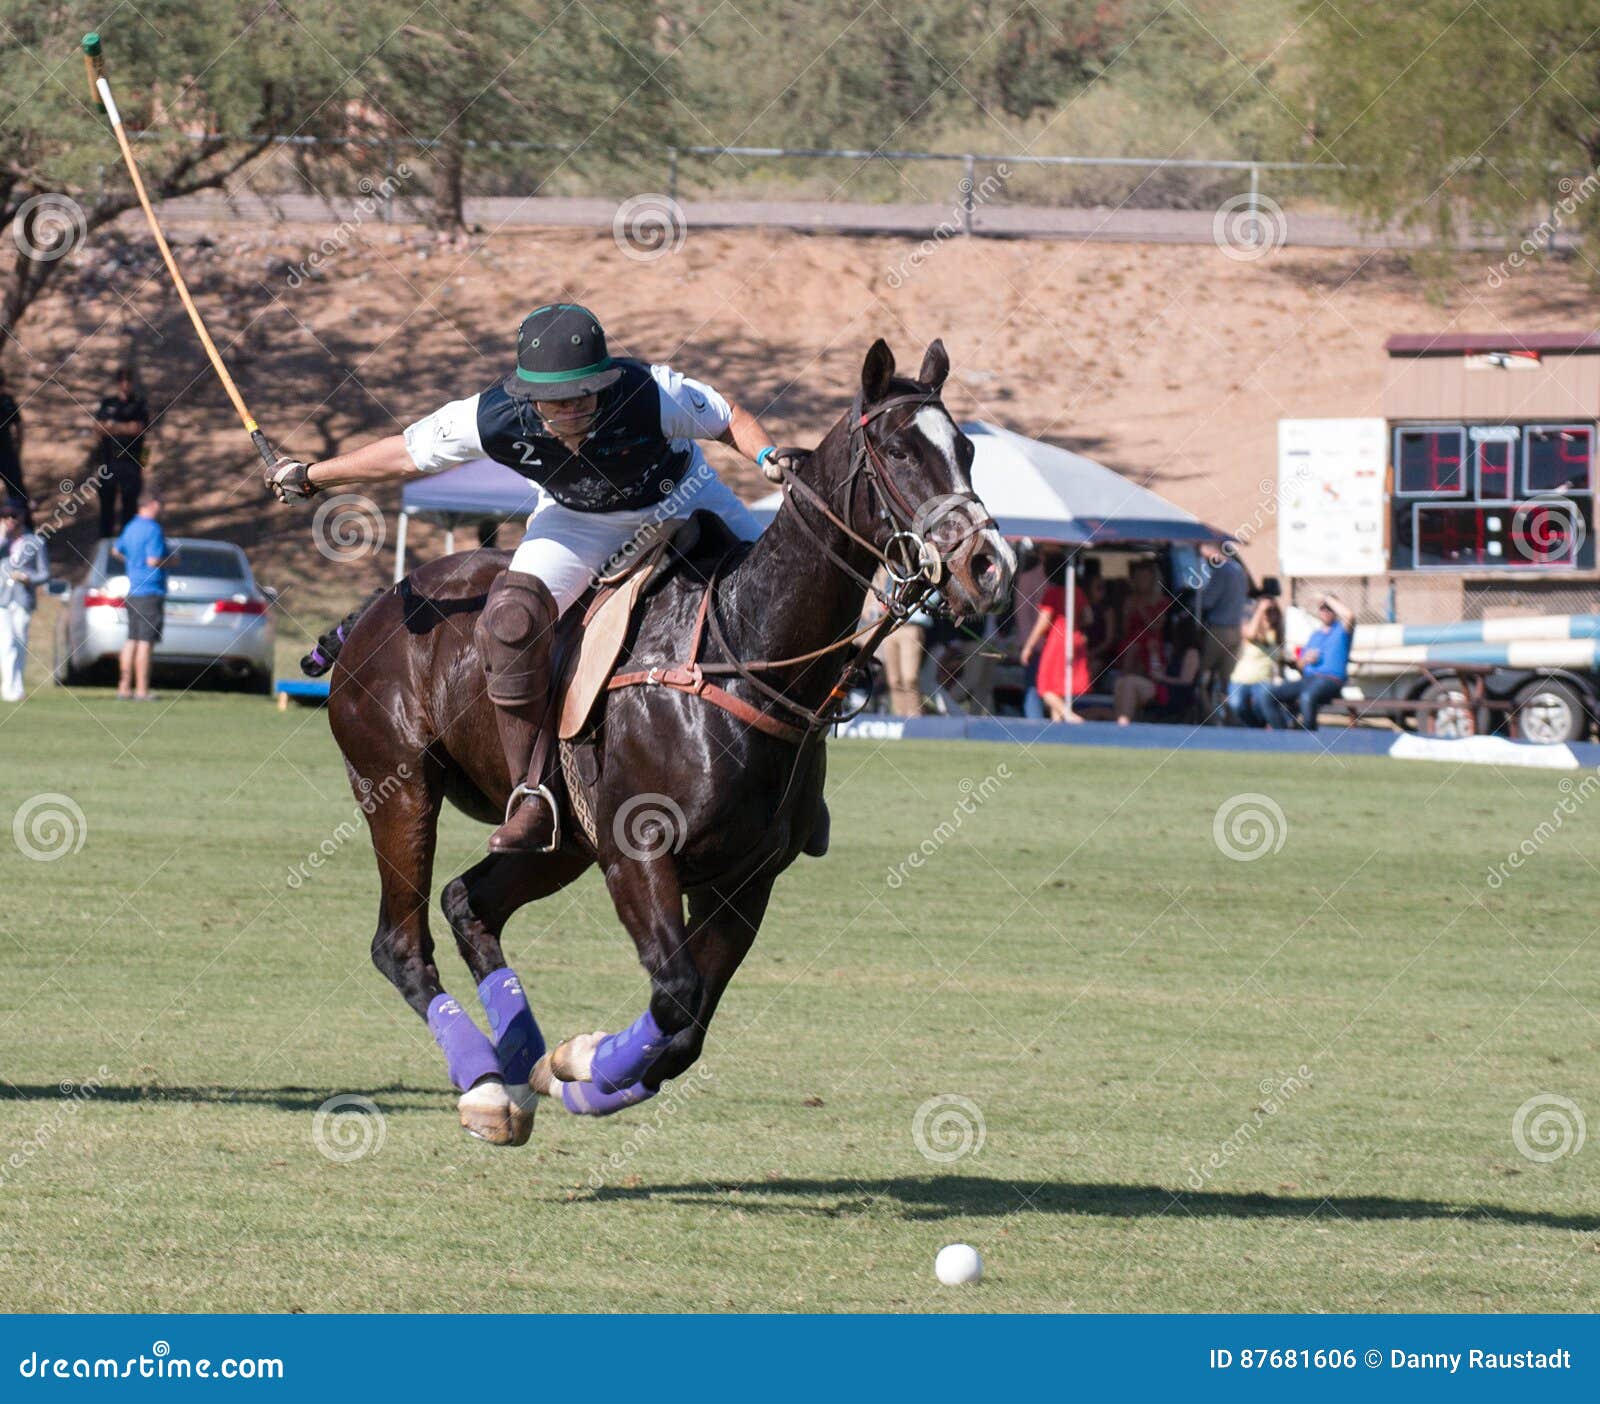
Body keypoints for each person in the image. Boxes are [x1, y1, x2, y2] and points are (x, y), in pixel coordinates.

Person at [264, 303, 799, 853]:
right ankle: (532, 796)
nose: (569, 412)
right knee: (510, 620)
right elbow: (407, 455)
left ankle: (803, 787)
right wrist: (311, 475)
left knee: (777, 600)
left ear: (605, 381)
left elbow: (726, 413)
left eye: (583, 398)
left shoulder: (650, 392)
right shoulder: (490, 416)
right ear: (526, 394)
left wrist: (764, 455)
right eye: (554, 402)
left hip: (681, 498)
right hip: (576, 520)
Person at [112, 492, 175, 701]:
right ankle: (141, 689)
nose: (161, 508)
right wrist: (173, 561)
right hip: (150, 590)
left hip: (134, 590)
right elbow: (153, 560)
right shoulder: (153, 528)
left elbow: (116, 550)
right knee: (145, 642)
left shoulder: (130, 527)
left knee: (131, 639)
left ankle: (123, 687)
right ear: (152, 504)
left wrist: (132, 564)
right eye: (160, 504)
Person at [1264, 594, 1355, 731]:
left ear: (1335, 611)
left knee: (1307, 696)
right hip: (1309, 679)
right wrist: (1305, 659)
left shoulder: (1341, 630)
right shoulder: (1315, 635)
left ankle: (1309, 740)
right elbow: (1300, 665)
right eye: (1322, 608)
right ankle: (1282, 736)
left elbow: (1349, 615)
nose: (1325, 611)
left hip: (1331, 680)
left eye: (1329, 608)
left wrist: (1326, 598)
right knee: (1268, 695)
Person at [1019, 559, 1087, 722]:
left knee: (1044, 687)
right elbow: (1088, 617)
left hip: (1057, 642)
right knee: (1059, 688)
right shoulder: (1077, 592)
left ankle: (1072, 718)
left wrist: (1028, 646)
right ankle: (1057, 729)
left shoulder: (1052, 593)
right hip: (1074, 637)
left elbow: (1043, 622)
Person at [0, 500, 48, 702]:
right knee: (7, 643)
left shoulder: (35, 542)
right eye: (5, 516)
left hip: (22, 598)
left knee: (19, 643)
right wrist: (2, 537)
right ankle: (9, 690)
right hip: (2, 599)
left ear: (21, 517)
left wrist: (28, 578)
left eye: (14, 516)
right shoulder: (2, 542)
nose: (10, 520)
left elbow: (45, 573)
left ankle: (16, 688)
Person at [1115, 614, 1202, 725]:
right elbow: (1157, 671)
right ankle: (1121, 718)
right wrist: (1153, 654)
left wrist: (1163, 678)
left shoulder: (1191, 652)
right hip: (1164, 687)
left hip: (1175, 693)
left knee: (1130, 682)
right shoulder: (1176, 652)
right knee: (1121, 681)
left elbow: (1186, 681)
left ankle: (1124, 721)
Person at [95, 366, 150, 539]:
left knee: (130, 507)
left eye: (128, 381)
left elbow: (139, 429)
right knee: (106, 506)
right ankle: (105, 542)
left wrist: (113, 427)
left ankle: (128, 543)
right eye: (122, 381)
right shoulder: (108, 403)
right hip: (109, 461)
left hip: (132, 462)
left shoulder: (139, 404)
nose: (125, 385)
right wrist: (125, 427)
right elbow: (98, 428)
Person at [1226, 585, 1283, 727]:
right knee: (1236, 705)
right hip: (1241, 678)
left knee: (1262, 705)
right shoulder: (1249, 628)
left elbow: (1279, 659)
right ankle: (1255, 729)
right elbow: (1250, 634)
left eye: (1273, 611)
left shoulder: (1278, 635)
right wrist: (1261, 609)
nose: (1270, 614)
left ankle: (1259, 731)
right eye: (1267, 611)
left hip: (1264, 680)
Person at [1197, 540, 1249, 683]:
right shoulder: (1238, 569)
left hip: (1218, 631)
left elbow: (1207, 601)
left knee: (1199, 675)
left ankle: (1203, 705)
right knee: (1226, 679)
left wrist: (1192, 600)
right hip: (1235, 630)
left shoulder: (1222, 570)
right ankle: (1222, 705)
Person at [0, 369, 24, 508]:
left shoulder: (7, 401)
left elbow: (19, 425)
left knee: (17, 494)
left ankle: (25, 527)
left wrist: (18, 447)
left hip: (7, 453)